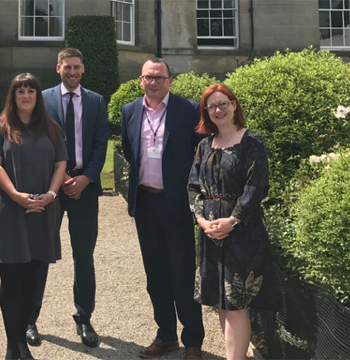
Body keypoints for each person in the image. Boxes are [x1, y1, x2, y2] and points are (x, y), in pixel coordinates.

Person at [120, 58, 205, 360]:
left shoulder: (189, 110)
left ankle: (193, 341)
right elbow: (131, 152)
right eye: (148, 77)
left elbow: (203, 154)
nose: (153, 82)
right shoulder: (129, 110)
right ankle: (166, 335)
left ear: (170, 80)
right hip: (146, 203)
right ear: (140, 81)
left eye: (159, 77)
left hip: (178, 204)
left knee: (182, 272)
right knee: (155, 274)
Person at [0, 73, 67, 360]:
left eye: (31, 91)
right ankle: (13, 344)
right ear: (13, 96)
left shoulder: (51, 127)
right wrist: (17, 196)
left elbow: (61, 164)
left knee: (32, 278)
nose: (26, 96)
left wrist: (52, 195)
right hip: (8, 210)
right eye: (20, 91)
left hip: (41, 210)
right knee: (11, 278)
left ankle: (21, 340)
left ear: (37, 96)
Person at [27, 47, 108, 348]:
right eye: (67, 67)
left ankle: (84, 318)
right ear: (58, 68)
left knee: (84, 256)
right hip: (50, 189)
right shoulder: (42, 98)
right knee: (39, 254)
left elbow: (102, 145)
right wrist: (57, 181)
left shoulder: (96, 101)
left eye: (76, 67)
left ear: (83, 69)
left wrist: (86, 178)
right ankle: (29, 319)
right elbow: (33, 142)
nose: (72, 72)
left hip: (84, 189)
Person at [188, 84, 275, 360]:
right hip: (211, 232)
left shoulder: (252, 141)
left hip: (242, 232)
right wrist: (202, 220)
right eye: (212, 106)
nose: (218, 110)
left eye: (223, 103)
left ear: (234, 105)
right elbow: (193, 186)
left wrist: (233, 221)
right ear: (206, 112)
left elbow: (256, 187)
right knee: (222, 303)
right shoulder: (204, 145)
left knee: (236, 304)